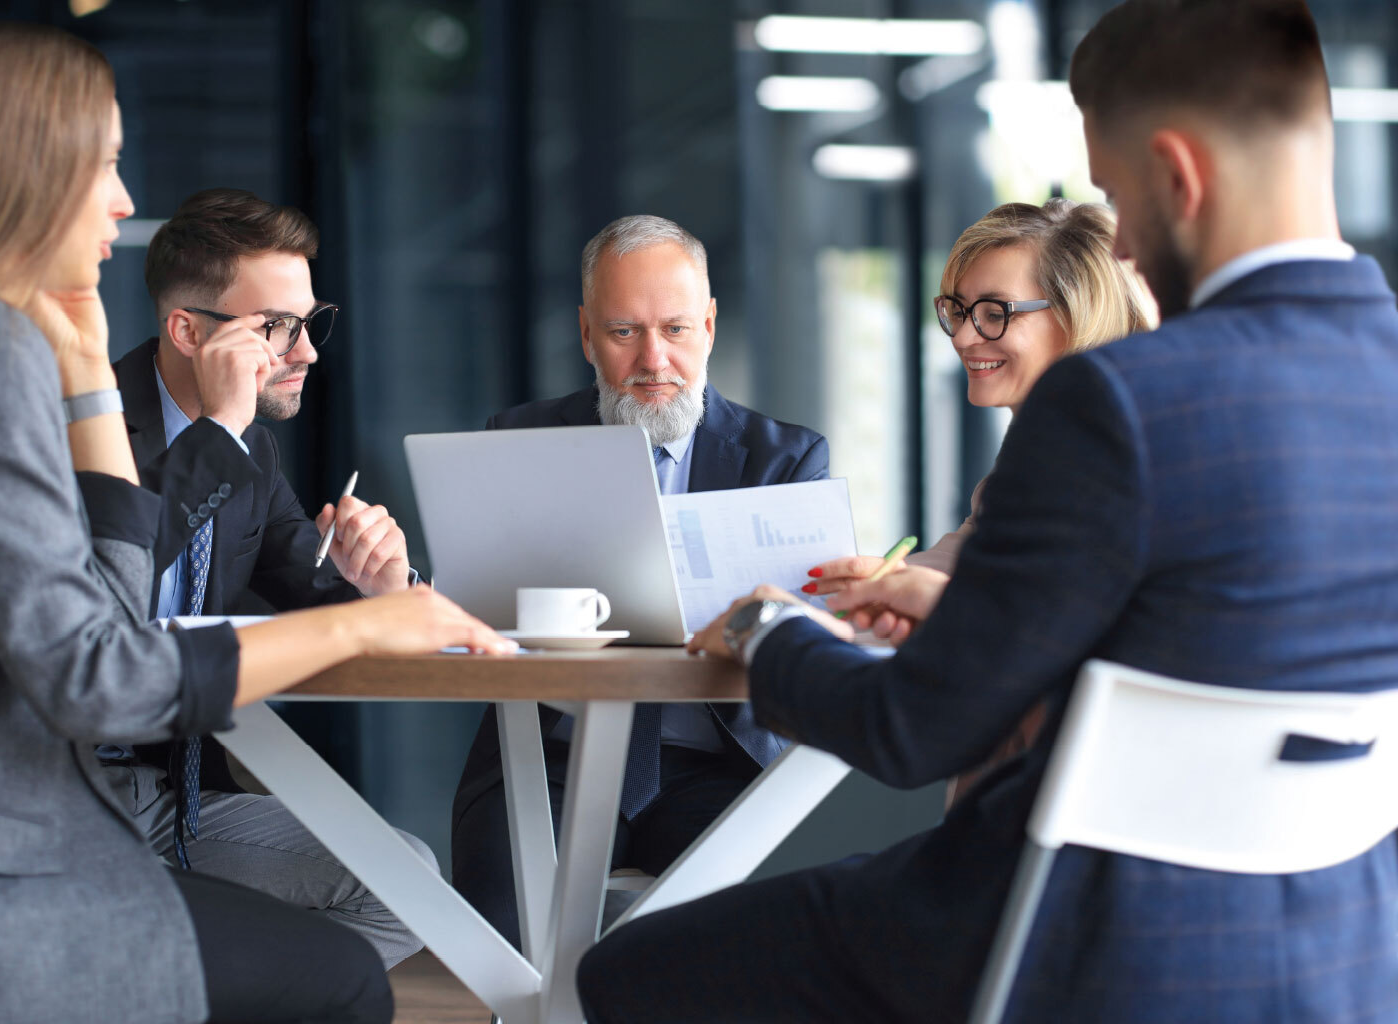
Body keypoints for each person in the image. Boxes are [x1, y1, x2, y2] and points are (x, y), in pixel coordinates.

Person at [577, 2, 1398, 1021]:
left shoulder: (1119, 402)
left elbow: (913, 728)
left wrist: (769, 629)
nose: (1123, 240)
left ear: (1178, 176)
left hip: (1076, 937)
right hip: (1345, 941)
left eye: (1118, 195)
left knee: (624, 973)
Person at [0, 23, 510, 1024]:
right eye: (108, 164)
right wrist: (368, 626)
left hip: (31, 830)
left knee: (373, 909)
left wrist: (80, 381)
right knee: (337, 979)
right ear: (27, 168)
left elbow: (112, 621)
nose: (124, 201)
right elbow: (98, 673)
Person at [449, 214, 830, 949]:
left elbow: (801, 634)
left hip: (720, 764)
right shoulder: (519, 442)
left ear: (711, 327)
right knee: (502, 936)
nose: (654, 359)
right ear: (588, 334)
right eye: (625, 332)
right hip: (550, 758)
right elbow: (482, 613)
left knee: (727, 948)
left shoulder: (785, 460)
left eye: (677, 329)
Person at [100, 187, 433, 968]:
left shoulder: (251, 454)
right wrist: (217, 431)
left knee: (406, 880)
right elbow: (115, 584)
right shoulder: (92, 425)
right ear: (186, 330)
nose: (307, 351)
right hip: (60, 787)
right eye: (276, 327)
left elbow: (310, 587)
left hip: (167, 796)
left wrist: (382, 585)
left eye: (309, 323)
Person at [808, 199, 1153, 803]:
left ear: (1079, 316)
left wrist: (771, 641)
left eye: (995, 313)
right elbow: (968, 555)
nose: (965, 336)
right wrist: (884, 579)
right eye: (958, 310)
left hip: (1048, 829)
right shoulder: (1038, 456)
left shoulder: (1093, 466)